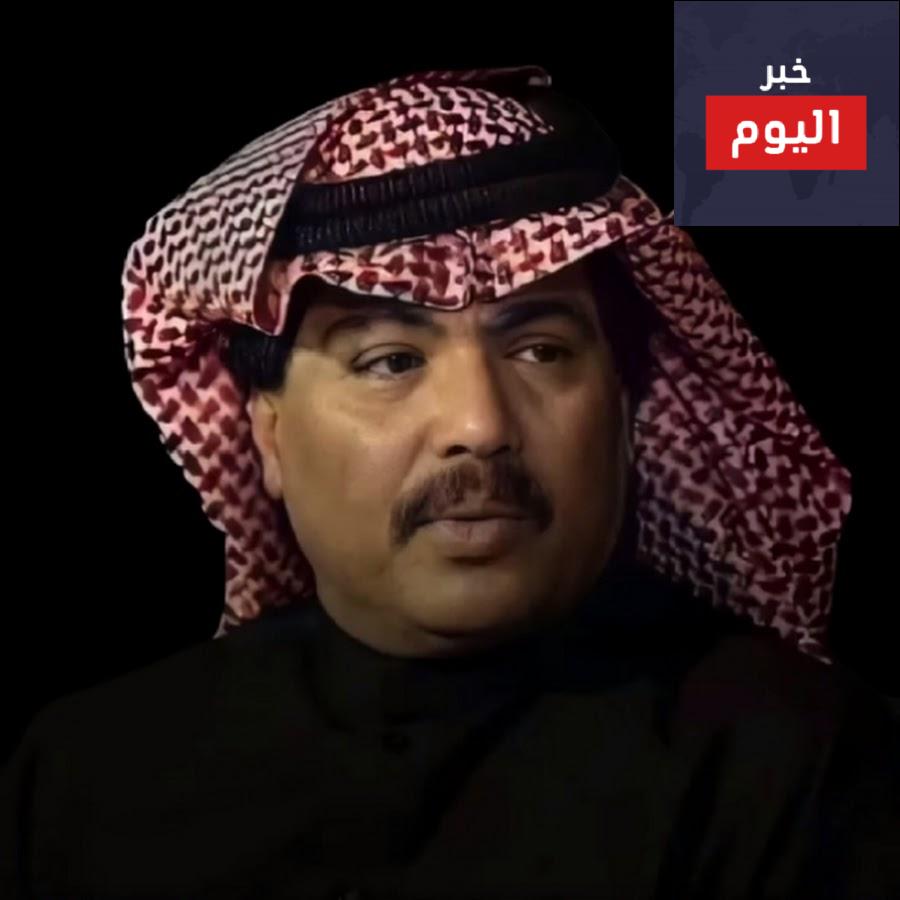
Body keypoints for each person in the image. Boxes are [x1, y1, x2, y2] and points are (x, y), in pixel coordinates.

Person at [2, 65, 897, 899]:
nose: (481, 424)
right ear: (266, 436)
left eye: (541, 350)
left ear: (627, 414)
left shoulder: (793, 765)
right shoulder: (91, 777)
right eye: (391, 360)